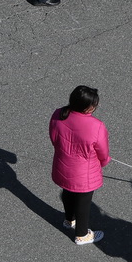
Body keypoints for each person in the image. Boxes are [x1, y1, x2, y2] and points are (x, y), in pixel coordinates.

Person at [49, 86, 110, 244]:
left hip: (62, 165)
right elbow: (102, 152)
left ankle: (69, 220)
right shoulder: (96, 126)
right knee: (83, 203)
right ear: (87, 107)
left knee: (68, 193)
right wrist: (104, 162)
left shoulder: (58, 114)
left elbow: (53, 137)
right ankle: (82, 235)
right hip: (85, 173)